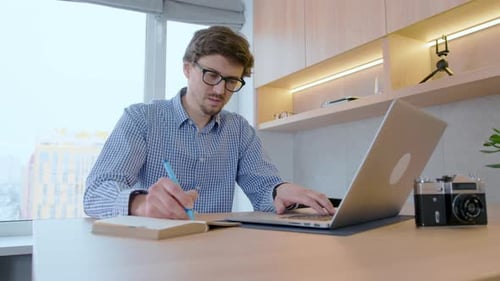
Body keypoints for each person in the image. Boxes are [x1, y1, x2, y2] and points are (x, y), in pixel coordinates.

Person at [83, 26, 335, 219]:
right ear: (187, 69)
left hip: (216, 250)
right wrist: (141, 204)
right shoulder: (141, 119)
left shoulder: (238, 130)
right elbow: (96, 192)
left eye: (231, 81)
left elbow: (263, 187)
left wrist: (279, 191)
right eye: (211, 75)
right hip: (153, 250)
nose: (220, 89)